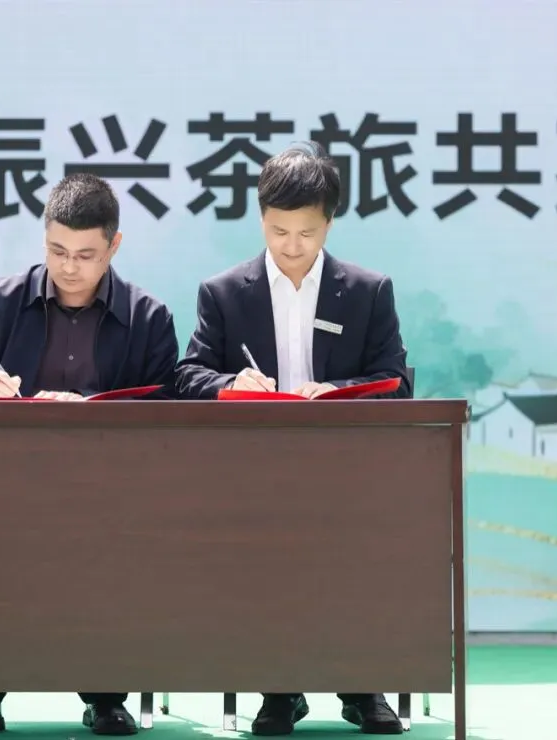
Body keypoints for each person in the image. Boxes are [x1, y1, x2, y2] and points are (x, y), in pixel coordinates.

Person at [0, 172, 177, 736]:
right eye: (57, 251)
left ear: (114, 246)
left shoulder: (149, 318)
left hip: (110, 491)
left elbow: (167, 414)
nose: (68, 267)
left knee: (113, 555)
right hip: (6, 487)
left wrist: (93, 412)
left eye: (85, 255)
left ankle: (106, 697)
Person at [175, 142, 409, 736]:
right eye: (279, 231)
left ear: (329, 223)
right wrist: (232, 383)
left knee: (352, 571)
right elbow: (189, 374)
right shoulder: (225, 291)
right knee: (266, 573)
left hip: (347, 471)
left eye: (306, 232)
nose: (292, 245)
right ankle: (279, 691)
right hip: (255, 471)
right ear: (261, 219)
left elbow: (397, 380)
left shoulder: (368, 290)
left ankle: (362, 686)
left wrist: (336, 390)